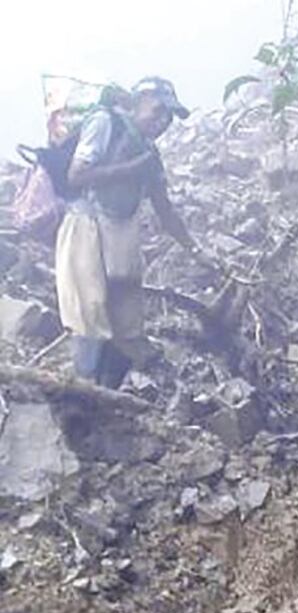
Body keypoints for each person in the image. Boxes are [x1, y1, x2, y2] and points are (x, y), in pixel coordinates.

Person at [56, 76, 205, 388]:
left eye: (169, 117)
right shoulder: (105, 123)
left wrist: (196, 250)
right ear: (137, 104)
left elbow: (165, 209)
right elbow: (76, 174)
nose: (163, 121)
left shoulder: (150, 154)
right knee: (89, 316)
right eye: (158, 111)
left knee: (127, 324)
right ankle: (82, 398)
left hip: (121, 233)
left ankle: (108, 396)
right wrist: (130, 168)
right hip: (86, 226)